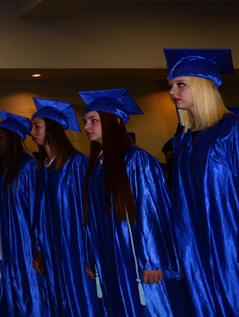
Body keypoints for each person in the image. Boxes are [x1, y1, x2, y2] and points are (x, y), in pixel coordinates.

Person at [79, 88, 186, 317]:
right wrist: (92, 255)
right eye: (86, 121)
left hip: (135, 258)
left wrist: (153, 260)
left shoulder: (136, 160)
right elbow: (92, 219)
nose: (86, 126)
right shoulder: (98, 166)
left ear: (116, 121)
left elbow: (150, 210)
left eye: (94, 120)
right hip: (110, 258)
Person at [164, 48, 239, 317]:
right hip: (193, 244)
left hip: (229, 239)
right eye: (171, 85)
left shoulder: (232, 130)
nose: (173, 91)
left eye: (181, 84)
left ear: (204, 86)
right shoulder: (182, 140)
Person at [29, 97, 101, 317]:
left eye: (37, 126)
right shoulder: (43, 169)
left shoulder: (77, 164)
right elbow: (38, 213)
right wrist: (38, 248)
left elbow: (89, 209)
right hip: (53, 248)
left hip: (75, 246)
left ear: (51, 129)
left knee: (81, 297)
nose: (32, 132)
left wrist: (90, 251)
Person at [0, 110, 47, 317]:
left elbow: (37, 210)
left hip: (25, 246)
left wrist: (38, 247)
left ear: (13, 140)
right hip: (4, 246)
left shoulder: (29, 167)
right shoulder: (0, 173)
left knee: (30, 294)